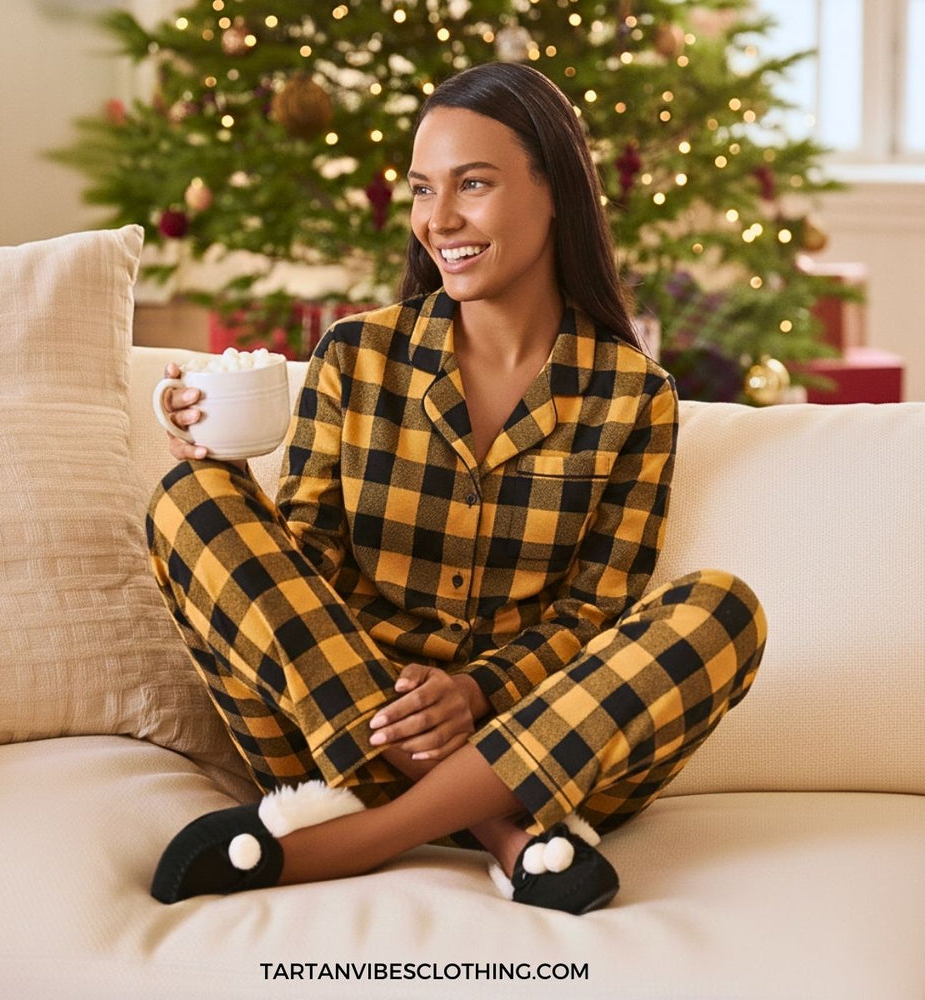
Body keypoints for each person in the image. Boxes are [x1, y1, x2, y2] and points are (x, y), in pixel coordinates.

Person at [146, 62, 766, 914]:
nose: (440, 220)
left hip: (544, 752)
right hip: (344, 735)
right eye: (423, 189)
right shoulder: (355, 355)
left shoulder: (633, 396)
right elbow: (307, 569)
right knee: (192, 498)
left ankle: (358, 839)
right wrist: (219, 461)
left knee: (722, 609)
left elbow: (593, 616)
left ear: (557, 191)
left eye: (473, 184)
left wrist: (478, 692)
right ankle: (504, 842)